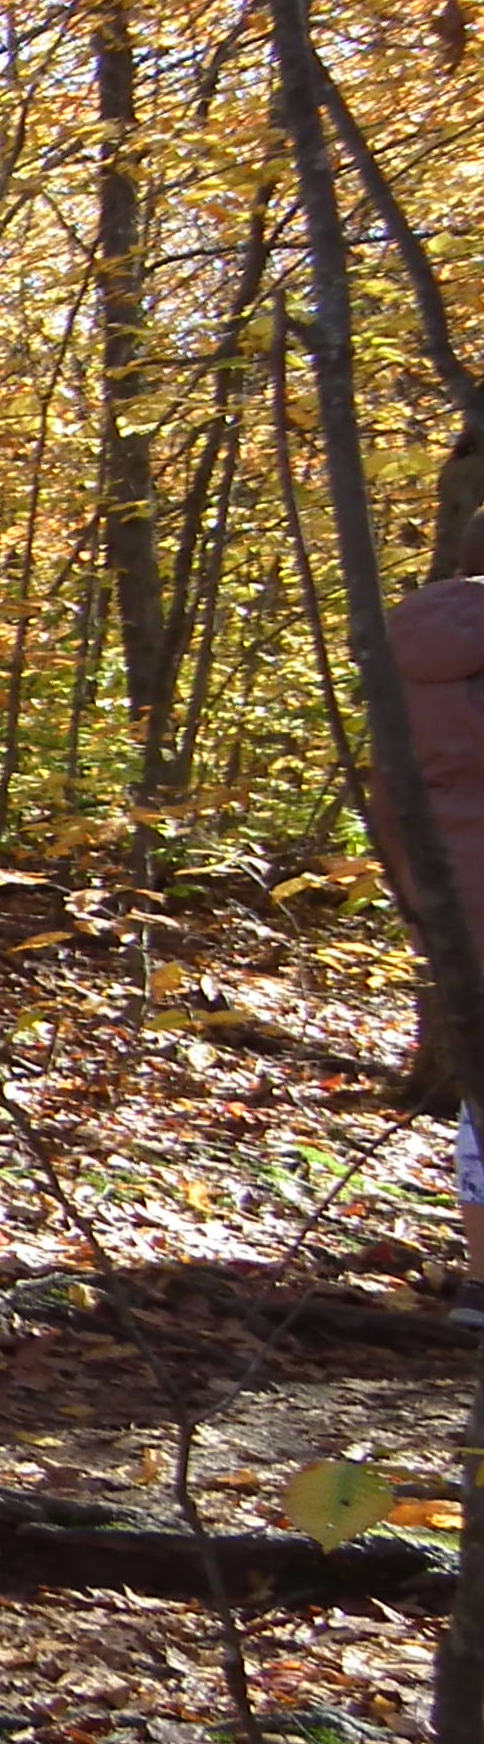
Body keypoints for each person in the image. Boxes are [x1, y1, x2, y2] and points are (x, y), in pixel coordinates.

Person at [382, 517, 484, 1326]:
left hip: (452, 890)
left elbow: (390, 784)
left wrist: (416, 892)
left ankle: (483, 1282)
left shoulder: (401, 645)